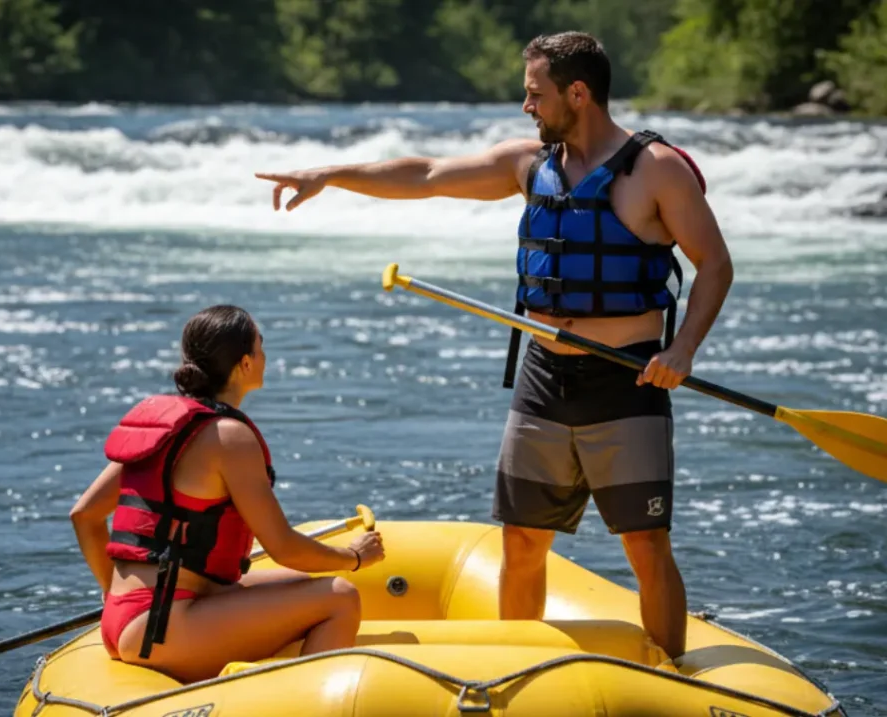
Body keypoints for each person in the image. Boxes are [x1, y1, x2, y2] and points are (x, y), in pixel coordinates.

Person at [253, 31, 733, 660]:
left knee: (645, 546)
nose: (526, 105)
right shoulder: (529, 164)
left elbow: (715, 264)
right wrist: (331, 174)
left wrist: (683, 352)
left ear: (578, 93)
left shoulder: (656, 170)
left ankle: (674, 674)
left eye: (536, 93)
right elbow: (425, 175)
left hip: (628, 382)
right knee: (522, 543)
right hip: (542, 379)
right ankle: (518, 671)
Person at [70, 305, 385, 683]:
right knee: (340, 596)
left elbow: (84, 515)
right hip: (161, 629)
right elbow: (283, 545)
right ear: (245, 364)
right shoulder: (228, 438)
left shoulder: (167, 431)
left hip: (128, 617)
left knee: (291, 583)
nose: (266, 357)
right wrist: (352, 557)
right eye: (261, 347)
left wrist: (114, 593)